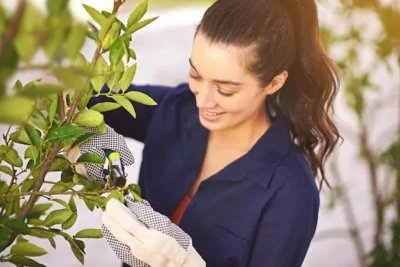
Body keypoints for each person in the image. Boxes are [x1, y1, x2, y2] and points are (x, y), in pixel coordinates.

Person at [74, 0, 342, 266]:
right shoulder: (178, 109)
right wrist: (93, 146)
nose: (203, 101)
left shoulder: (290, 191)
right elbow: (85, 99)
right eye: (196, 76)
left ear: (273, 83)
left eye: (225, 90)